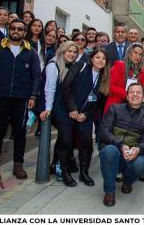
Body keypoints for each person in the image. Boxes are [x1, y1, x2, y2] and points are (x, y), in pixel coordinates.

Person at [0, 19, 41, 183]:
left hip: (21, 99)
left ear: (24, 32)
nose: (16, 31)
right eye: (13, 28)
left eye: (20, 29)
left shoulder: (31, 52)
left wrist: (33, 96)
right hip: (0, 98)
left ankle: (18, 164)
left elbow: (36, 76)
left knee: (20, 133)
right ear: (9, 30)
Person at [53, 47, 110, 187]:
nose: (100, 60)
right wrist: (73, 109)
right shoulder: (80, 66)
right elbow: (66, 86)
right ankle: (65, 173)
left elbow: (98, 102)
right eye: (97, 57)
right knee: (66, 142)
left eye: (103, 58)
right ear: (91, 58)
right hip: (66, 109)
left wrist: (86, 114)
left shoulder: (104, 77)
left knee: (86, 143)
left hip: (85, 114)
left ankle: (84, 173)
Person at [99, 83, 144, 207]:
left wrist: (138, 149)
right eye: (131, 92)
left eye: (138, 92)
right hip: (115, 153)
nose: (135, 94)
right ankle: (109, 192)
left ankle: (127, 181)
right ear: (127, 96)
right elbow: (104, 131)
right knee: (109, 151)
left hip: (132, 155)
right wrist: (120, 145)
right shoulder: (115, 109)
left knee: (141, 163)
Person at [38, 41, 78, 175]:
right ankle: (61, 165)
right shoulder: (53, 65)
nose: (72, 54)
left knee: (64, 137)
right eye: (69, 51)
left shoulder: (71, 66)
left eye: (74, 52)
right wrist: (48, 108)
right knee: (65, 138)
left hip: (66, 105)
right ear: (62, 51)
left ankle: (56, 164)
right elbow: (49, 88)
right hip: (56, 106)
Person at [104, 43, 144, 114]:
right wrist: (128, 94)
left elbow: (141, 90)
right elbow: (110, 86)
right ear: (129, 53)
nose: (138, 56)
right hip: (115, 104)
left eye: (140, 54)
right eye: (135, 53)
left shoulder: (142, 72)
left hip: (132, 107)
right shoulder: (120, 65)